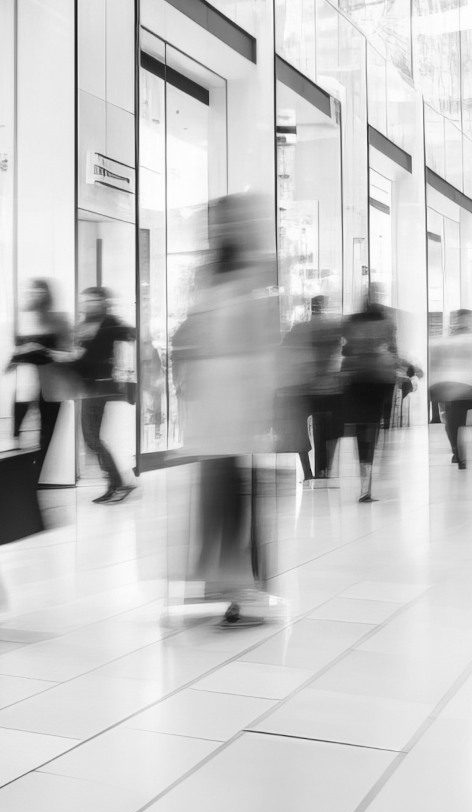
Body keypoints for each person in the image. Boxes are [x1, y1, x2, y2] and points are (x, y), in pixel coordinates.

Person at [174, 192, 280, 625]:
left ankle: (247, 589)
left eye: (227, 222)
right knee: (213, 492)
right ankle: (214, 582)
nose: (219, 230)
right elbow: (194, 329)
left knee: (238, 494)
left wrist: (263, 403)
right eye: (214, 223)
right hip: (209, 400)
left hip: (240, 396)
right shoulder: (206, 274)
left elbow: (263, 340)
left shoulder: (257, 272)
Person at [61, 286, 136, 503]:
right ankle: (119, 483)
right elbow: (81, 359)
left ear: (104, 302)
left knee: (92, 439)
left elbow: (128, 333)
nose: (88, 304)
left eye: (94, 300)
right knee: (92, 439)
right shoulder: (83, 326)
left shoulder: (109, 322)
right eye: (86, 300)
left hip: (100, 388)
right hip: (89, 388)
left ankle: (119, 484)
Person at [339, 285, 399, 500]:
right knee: (372, 428)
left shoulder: (351, 322)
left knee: (361, 429)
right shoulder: (386, 322)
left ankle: (365, 481)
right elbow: (392, 350)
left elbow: (345, 349)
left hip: (356, 378)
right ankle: (367, 483)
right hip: (379, 379)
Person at [280, 294, 343, 479]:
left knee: (300, 431)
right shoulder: (332, 329)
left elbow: (286, 352)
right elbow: (339, 351)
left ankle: (307, 472)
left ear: (310, 307)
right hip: (327, 387)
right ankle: (325, 470)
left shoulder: (298, 329)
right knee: (329, 429)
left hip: (302, 387)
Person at [10, 278, 72, 453]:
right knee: (16, 433)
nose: (35, 295)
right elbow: (13, 354)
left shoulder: (59, 319)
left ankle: (43, 470)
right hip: (25, 382)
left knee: (48, 432)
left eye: (39, 291)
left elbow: (68, 353)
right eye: (31, 291)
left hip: (50, 382)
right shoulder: (22, 319)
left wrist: (43, 350)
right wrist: (21, 351)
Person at [429, 309, 472, 469]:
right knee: (455, 419)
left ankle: (457, 452)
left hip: (452, 386)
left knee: (453, 420)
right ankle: (457, 452)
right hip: (463, 386)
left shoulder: (451, 340)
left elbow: (437, 357)